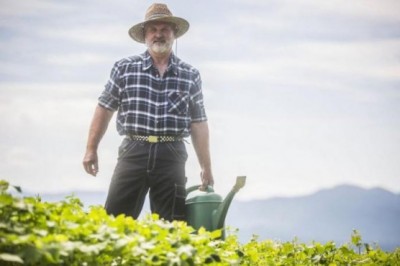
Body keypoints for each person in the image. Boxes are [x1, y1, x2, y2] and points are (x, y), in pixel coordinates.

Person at [82, 3, 213, 221]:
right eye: (153, 29)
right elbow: (104, 108)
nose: (159, 34)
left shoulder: (190, 74)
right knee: (115, 221)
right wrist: (90, 149)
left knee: (171, 226)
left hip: (171, 153)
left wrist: (206, 167)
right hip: (134, 150)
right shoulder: (124, 68)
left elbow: (198, 123)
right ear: (145, 35)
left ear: (174, 34)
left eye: (164, 29)